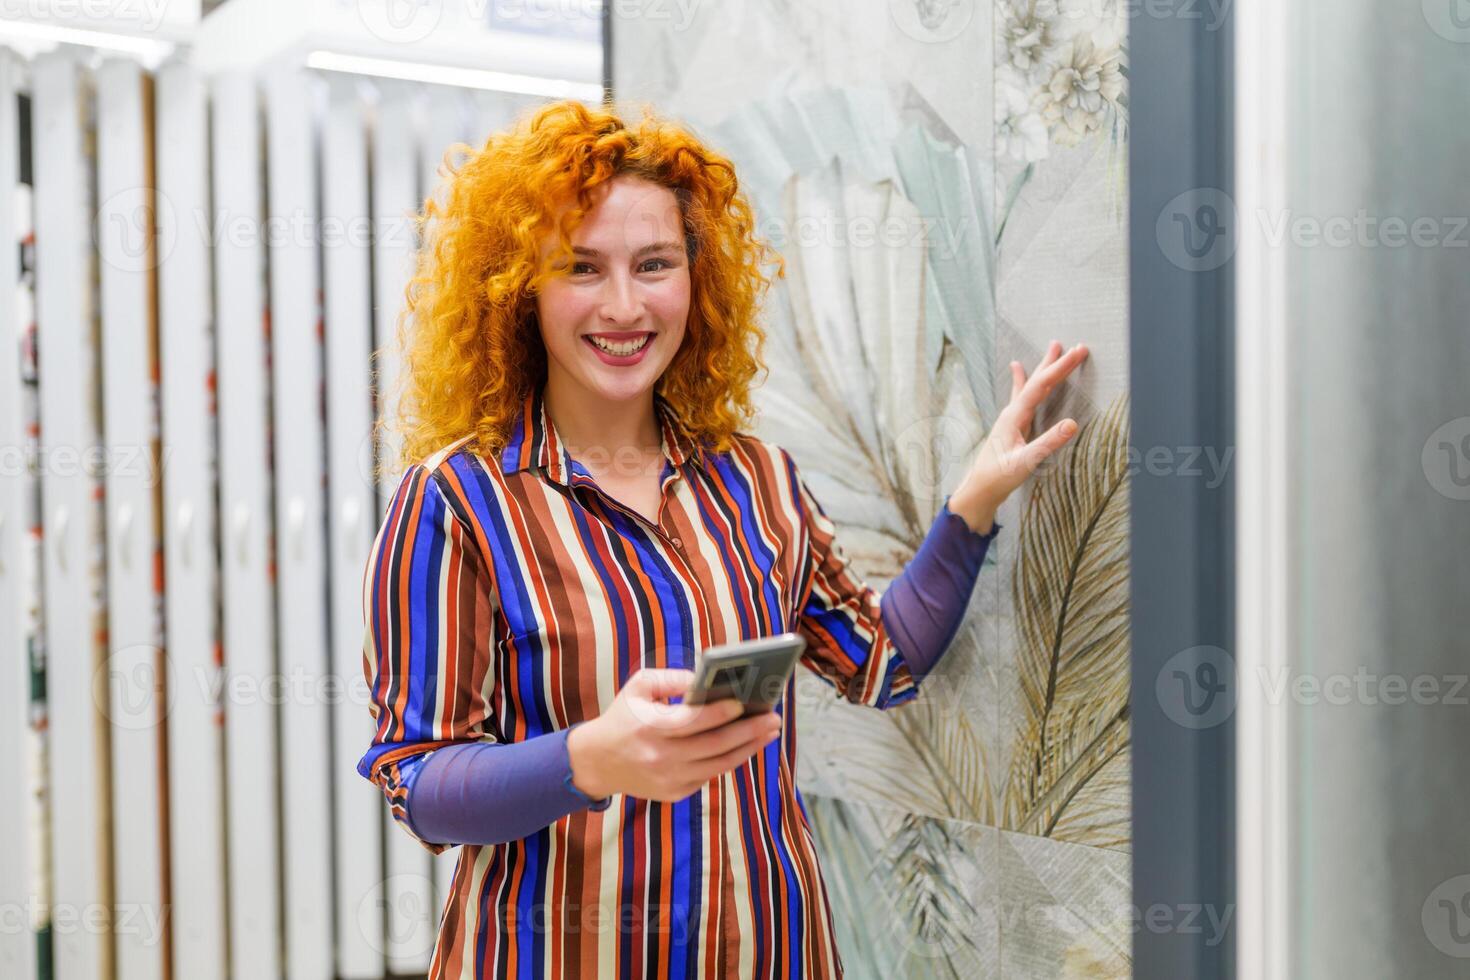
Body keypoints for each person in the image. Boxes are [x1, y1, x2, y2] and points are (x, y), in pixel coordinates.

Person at [358, 98, 1088, 979]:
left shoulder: (758, 480)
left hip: (769, 950)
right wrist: (589, 758)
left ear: (695, 280)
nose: (624, 306)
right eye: (582, 267)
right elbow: (418, 782)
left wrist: (975, 495)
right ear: (522, 285)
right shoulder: (455, 501)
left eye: (654, 263)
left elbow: (880, 660)